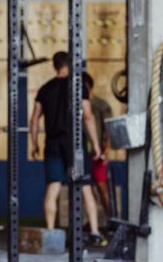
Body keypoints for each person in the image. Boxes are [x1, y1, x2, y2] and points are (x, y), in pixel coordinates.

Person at [29, 52, 102, 242]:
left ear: (54, 66)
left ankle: (52, 233)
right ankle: (94, 231)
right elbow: (88, 116)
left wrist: (34, 143)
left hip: (52, 142)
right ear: (70, 65)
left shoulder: (45, 89)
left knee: (53, 187)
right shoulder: (79, 86)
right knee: (85, 187)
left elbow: (35, 119)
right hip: (75, 143)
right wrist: (96, 144)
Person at [82, 73, 115, 222]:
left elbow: (108, 130)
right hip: (82, 154)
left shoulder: (101, 105)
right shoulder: (75, 105)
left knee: (102, 189)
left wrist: (106, 151)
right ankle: (91, 222)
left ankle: (111, 220)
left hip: (97, 154)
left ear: (89, 87)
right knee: (86, 189)